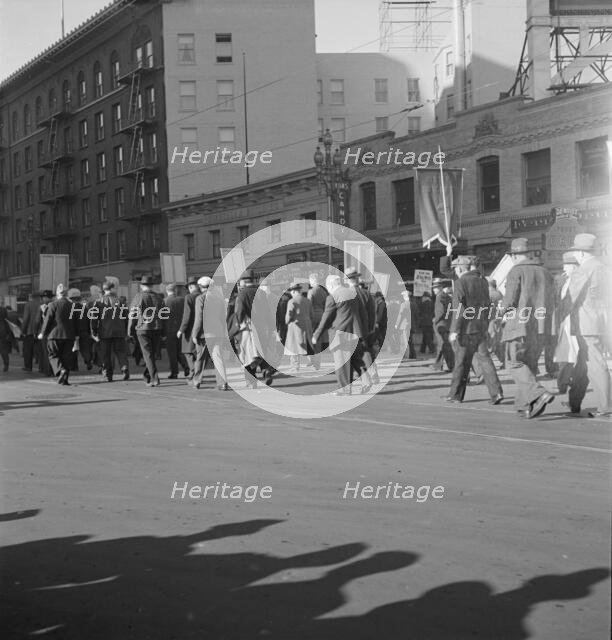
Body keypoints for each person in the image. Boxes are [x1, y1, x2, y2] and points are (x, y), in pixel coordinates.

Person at [500, 238, 554, 418]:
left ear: (514, 255)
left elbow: (510, 301)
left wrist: (499, 315)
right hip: (540, 326)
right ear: (529, 253)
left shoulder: (516, 271)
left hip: (520, 325)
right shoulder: (545, 272)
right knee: (529, 365)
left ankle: (539, 393)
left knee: (514, 362)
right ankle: (524, 405)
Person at [563, 233, 611, 417]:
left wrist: (558, 317)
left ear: (581, 253)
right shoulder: (605, 268)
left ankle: (606, 407)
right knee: (583, 364)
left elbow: (571, 298)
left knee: (596, 364)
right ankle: (574, 402)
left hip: (587, 323)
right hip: (603, 322)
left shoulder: (584, 269)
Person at [446, 256, 503, 405]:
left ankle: (455, 395)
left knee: (461, 363)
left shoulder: (460, 282)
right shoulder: (483, 281)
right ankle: (496, 393)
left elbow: (459, 308)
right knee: (485, 361)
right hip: (480, 327)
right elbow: (487, 304)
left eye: (456, 269)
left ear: (459, 268)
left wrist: (454, 330)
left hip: (466, 330)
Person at [312, 274, 370, 395]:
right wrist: (364, 331)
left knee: (342, 363)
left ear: (331, 285)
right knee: (355, 359)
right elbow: (363, 313)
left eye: (328, 287)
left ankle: (344, 389)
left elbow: (326, 318)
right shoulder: (353, 293)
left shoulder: (332, 297)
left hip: (340, 334)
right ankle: (366, 380)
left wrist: (316, 335)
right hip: (355, 332)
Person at [234, 269, 275, 388]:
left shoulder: (242, 294)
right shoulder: (261, 293)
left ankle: (251, 381)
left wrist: (237, 326)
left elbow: (240, 312)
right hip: (262, 327)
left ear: (243, 282)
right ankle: (266, 370)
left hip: (248, 328)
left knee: (247, 353)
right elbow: (267, 312)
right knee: (261, 351)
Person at [38, 283, 80, 385]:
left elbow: (48, 320)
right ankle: (65, 379)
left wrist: (42, 333)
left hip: (54, 335)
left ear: (57, 294)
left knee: (53, 355)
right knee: (66, 357)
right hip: (69, 336)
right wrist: (76, 335)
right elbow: (76, 321)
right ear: (66, 294)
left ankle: (61, 370)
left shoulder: (53, 305)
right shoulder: (73, 306)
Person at [191, 278, 229, 391]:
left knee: (200, 358)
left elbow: (199, 318)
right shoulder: (219, 299)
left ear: (201, 287)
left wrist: (194, 334)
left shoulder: (200, 298)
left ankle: (197, 381)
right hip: (218, 332)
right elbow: (223, 317)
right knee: (218, 358)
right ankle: (222, 383)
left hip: (204, 334)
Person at [128, 275, 164, 387]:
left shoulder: (138, 297)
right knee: (152, 354)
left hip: (143, 328)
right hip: (157, 328)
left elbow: (132, 314)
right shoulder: (159, 297)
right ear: (152, 285)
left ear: (141, 285)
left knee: (147, 354)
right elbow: (164, 315)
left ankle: (154, 378)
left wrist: (130, 329)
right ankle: (147, 375)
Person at [91, 281, 130, 382]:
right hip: (119, 331)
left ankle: (108, 375)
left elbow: (94, 318)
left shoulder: (99, 302)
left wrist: (94, 331)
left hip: (104, 332)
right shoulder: (120, 301)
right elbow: (126, 317)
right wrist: (126, 330)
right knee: (121, 351)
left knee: (106, 354)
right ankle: (124, 367)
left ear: (104, 290)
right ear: (112, 288)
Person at [284, 283, 315, 372]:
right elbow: (312, 315)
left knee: (293, 347)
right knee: (308, 344)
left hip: (295, 326)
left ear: (293, 291)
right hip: (307, 325)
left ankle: (295, 366)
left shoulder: (292, 301)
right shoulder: (307, 301)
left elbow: (288, 316)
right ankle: (312, 362)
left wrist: (287, 322)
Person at [163, 283, 189, 379]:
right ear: (175, 291)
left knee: (172, 353)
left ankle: (174, 372)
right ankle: (186, 367)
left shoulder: (164, 302)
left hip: (169, 330)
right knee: (180, 351)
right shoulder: (183, 300)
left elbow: (163, 318)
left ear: (167, 291)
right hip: (181, 330)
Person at [178, 276, 200, 380]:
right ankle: (197, 371)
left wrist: (181, 329)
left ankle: (193, 372)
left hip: (190, 329)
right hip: (202, 328)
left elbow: (187, 315)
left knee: (188, 352)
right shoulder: (204, 296)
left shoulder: (189, 297)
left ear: (190, 287)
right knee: (198, 352)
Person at [431, 278, 454, 372]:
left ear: (440, 287)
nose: (434, 289)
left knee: (442, 345)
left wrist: (435, 321)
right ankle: (446, 365)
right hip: (447, 323)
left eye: (435, 287)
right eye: (433, 288)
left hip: (440, 324)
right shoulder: (447, 297)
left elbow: (440, 311)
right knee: (445, 345)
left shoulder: (439, 296)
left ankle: (444, 365)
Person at [307, 273, 329, 368]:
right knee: (319, 338)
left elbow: (309, 306)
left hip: (313, 317)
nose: (309, 282)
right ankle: (317, 362)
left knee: (312, 339)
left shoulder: (311, 292)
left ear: (313, 280)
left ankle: (313, 360)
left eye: (310, 280)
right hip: (322, 316)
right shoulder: (324, 291)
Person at [486, 278, 505, 368]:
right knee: (497, 342)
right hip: (499, 319)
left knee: (490, 343)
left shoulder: (488, 295)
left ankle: (488, 365)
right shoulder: (499, 293)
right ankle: (504, 361)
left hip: (491, 320)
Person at [21, 292, 41, 373]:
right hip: (40, 331)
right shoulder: (42, 304)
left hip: (30, 331)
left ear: (31, 297)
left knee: (28, 350)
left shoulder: (28, 304)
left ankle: (28, 367)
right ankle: (42, 367)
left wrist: (23, 331)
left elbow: (26, 319)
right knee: (40, 350)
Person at [395, 290, 412, 361]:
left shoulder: (403, 304)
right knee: (409, 340)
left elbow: (400, 315)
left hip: (404, 325)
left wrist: (396, 324)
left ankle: (406, 355)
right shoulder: (412, 304)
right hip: (410, 324)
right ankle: (409, 354)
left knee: (405, 341)